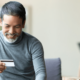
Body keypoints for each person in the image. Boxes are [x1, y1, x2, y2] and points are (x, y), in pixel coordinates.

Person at [0, 1, 46, 80]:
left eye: (17, 27)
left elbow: (41, 73)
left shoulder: (34, 44)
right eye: (7, 26)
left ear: (23, 24)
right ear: (0, 22)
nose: (11, 32)